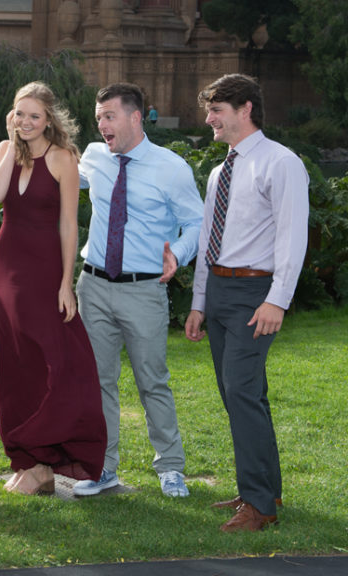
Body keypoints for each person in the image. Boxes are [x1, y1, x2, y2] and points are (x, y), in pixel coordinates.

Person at [185, 74, 308, 532]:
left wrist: (277, 300)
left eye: (217, 109)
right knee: (239, 395)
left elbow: (292, 237)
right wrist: (199, 302)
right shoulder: (221, 170)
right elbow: (208, 240)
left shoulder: (282, 163)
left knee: (241, 390)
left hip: (256, 295)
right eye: (209, 110)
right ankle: (261, 488)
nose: (209, 118)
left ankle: (261, 507)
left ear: (246, 109)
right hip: (218, 292)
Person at [72, 83, 203, 498]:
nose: (101, 125)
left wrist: (177, 255)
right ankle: (102, 467)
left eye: (108, 116)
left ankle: (170, 467)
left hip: (144, 289)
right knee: (97, 382)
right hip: (92, 285)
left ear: (134, 117)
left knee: (153, 382)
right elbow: (54, 181)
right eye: (98, 119)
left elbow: (196, 223)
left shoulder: (172, 167)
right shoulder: (94, 157)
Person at [0, 81, 106, 495]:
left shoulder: (64, 158)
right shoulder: (6, 150)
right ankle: (30, 462)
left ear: (49, 119)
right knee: (13, 366)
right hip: (7, 269)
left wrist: (66, 283)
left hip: (44, 270)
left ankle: (46, 459)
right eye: (20, 114)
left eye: (35, 115)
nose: (27, 122)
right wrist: (9, 143)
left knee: (49, 360)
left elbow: (69, 224)